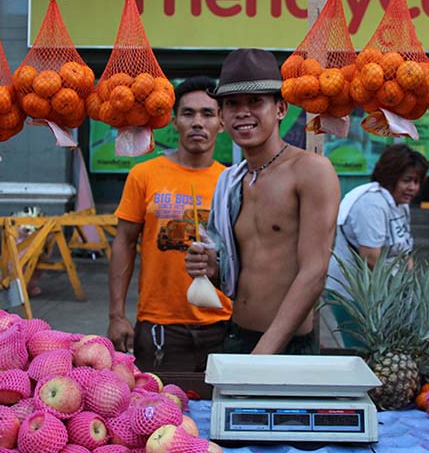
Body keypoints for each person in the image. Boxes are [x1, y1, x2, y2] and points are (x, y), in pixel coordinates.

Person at [185, 48, 340, 355]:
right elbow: (236, 276)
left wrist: (263, 354)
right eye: (232, 104)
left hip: (286, 348)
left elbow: (314, 272)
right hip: (236, 335)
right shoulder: (230, 182)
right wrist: (212, 269)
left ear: (280, 108)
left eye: (255, 101)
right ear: (222, 116)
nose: (243, 112)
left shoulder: (310, 171)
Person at [107, 76, 232, 373]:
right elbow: (124, 242)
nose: (197, 122)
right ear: (174, 122)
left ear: (222, 123)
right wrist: (116, 315)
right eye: (188, 114)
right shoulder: (144, 175)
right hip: (159, 325)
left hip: (223, 324)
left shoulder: (232, 181)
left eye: (208, 114)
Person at [327, 144, 428, 295]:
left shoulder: (400, 203)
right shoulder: (372, 205)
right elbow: (371, 258)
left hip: (388, 290)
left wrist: (410, 284)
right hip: (355, 294)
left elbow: (404, 250)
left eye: (417, 182)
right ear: (390, 178)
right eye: (407, 180)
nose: (413, 187)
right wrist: (397, 292)